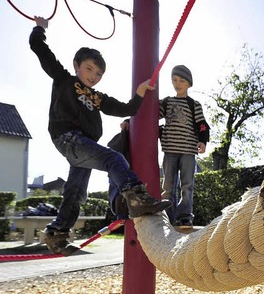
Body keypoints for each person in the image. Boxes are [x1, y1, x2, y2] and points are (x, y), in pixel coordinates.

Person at [29, 16, 172, 256]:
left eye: (98, 73)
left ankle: (57, 234)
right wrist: (40, 28)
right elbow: (39, 48)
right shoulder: (65, 79)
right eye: (89, 69)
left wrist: (139, 93)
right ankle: (136, 198)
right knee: (113, 158)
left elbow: (127, 109)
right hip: (68, 138)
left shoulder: (98, 97)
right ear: (76, 65)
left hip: (84, 147)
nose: (93, 76)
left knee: (75, 192)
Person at [122, 65, 209, 229]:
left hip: (188, 150)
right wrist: (129, 121)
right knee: (168, 185)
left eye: (182, 81)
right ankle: (168, 216)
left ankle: (184, 217)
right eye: (175, 80)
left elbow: (202, 125)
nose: (178, 83)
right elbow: (149, 115)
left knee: (187, 185)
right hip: (170, 150)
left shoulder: (194, 104)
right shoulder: (168, 102)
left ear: (189, 83)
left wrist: (203, 141)